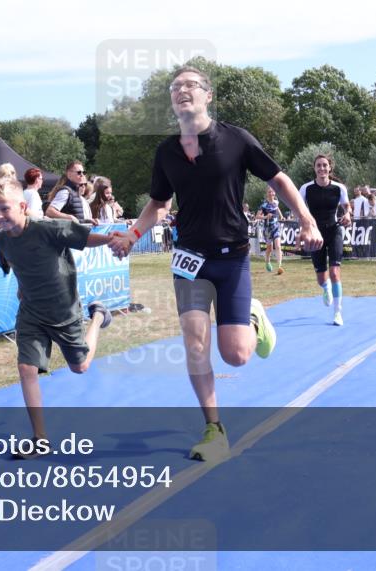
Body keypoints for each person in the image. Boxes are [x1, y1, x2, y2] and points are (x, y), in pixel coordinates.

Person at [108, 65, 322, 463]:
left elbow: (279, 179)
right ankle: (214, 428)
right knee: (194, 342)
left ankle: (252, 319)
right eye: (175, 87)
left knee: (237, 355)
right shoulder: (167, 152)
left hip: (233, 257)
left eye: (190, 85)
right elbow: (157, 204)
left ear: (207, 95)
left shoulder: (235, 139)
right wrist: (132, 236)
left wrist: (307, 220)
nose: (181, 91)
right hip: (189, 259)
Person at [0, 178, 114, 457]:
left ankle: (98, 317)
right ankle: (39, 439)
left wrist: (112, 239)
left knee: (80, 367)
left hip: (64, 311)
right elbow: (18, 264)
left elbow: (83, 237)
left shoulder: (47, 228)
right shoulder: (1, 239)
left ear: (22, 206)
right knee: (26, 369)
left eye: (4, 209)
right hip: (32, 314)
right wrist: (23, 289)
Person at [299, 154, 352, 326]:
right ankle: (325, 287)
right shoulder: (306, 189)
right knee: (322, 279)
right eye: (318, 166)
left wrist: (348, 215)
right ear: (314, 169)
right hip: (315, 235)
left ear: (330, 168)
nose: (322, 168)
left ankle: (338, 313)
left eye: (324, 165)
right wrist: (303, 229)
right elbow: (298, 209)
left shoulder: (339, 188)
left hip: (334, 230)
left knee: (335, 272)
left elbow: (347, 206)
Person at [255, 187, 284, 275]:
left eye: (272, 192)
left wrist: (281, 216)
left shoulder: (276, 202)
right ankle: (267, 261)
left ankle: (279, 266)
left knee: (278, 246)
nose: (271, 193)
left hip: (276, 227)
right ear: (267, 194)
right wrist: (266, 217)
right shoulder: (263, 205)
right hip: (267, 229)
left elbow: (277, 208)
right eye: (269, 192)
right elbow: (257, 216)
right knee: (269, 248)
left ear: (274, 193)